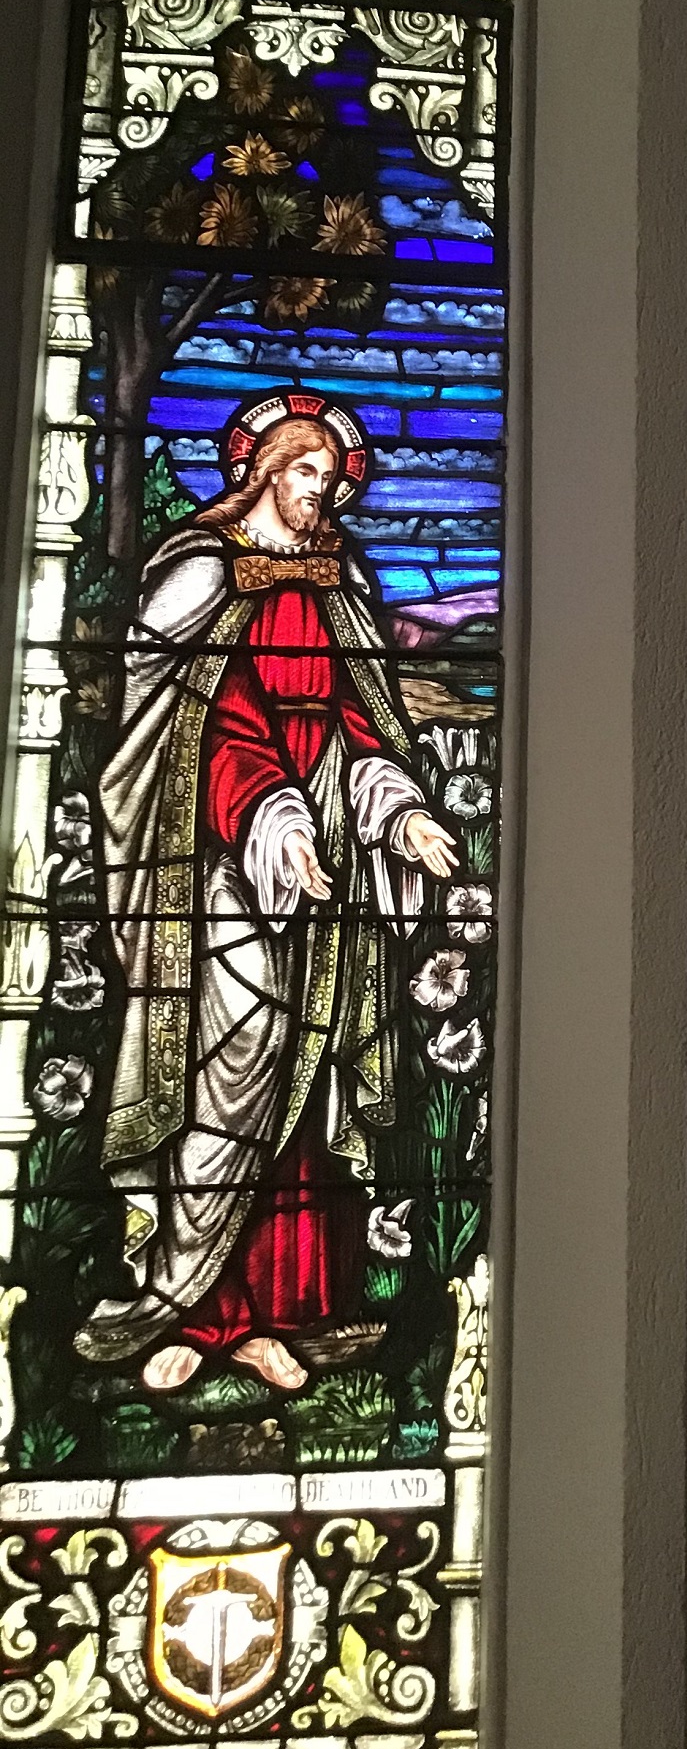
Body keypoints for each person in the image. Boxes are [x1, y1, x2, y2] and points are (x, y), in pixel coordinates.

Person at [74, 395, 458, 1394]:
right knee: (232, 1055)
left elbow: (361, 718)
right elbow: (194, 720)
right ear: (264, 472)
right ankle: (186, 1304)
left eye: (331, 480)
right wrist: (269, 815)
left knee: (312, 1064)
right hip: (218, 848)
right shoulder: (200, 570)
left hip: (328, 839)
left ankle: (274, 1313)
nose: (319, 493)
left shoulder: (338, 578)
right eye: (304, 474)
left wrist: (398, 810)